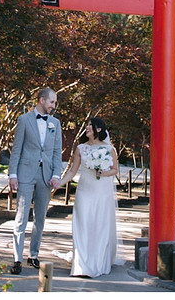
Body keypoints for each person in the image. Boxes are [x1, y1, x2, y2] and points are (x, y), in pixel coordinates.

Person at [7, 87, 63, 275]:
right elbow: (17, 149)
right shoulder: (24, 120)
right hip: (25, 173)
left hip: (46, 176)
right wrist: (12, 174)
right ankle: (17, 259)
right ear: (41, 100)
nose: (54, 106)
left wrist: (56, 175)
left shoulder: (55, 123)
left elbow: (57, 152)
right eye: (51, 102)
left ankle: (33, 254)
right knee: (21, 216)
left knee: (40, 217)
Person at [56, 117, 120, 278]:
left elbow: (115, 170)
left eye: (91, 125)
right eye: (87, 125)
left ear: (99, 129)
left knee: (99, 226)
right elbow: (72, 171)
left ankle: (98, 262)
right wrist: (59, 182)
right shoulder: (80, 148)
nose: (87, 127)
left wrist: (103, 172)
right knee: (82, 224)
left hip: (102, 192)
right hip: (84, 191)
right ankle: (81, 265)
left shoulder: (109, 149)